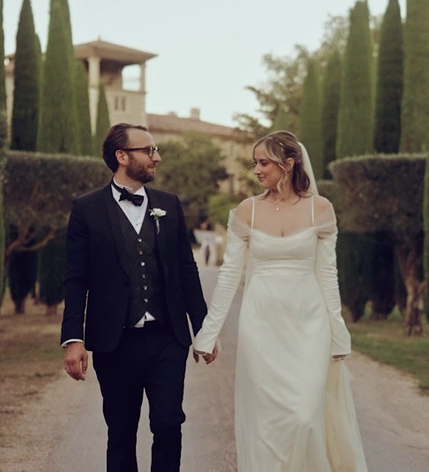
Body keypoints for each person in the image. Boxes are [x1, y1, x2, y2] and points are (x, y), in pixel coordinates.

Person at [193, 130, 368, 471]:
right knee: (266, 423)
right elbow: (230, 275)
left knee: (305, 416)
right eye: (254, 163)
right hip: (261, 323)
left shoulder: (321, 210)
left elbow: (328, 275)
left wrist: (338, 330)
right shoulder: (248, 211)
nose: (256, 170)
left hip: (308, 323)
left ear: (288, 164)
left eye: (264, 162)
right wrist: (208, 332)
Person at [60, 123, 209, 472]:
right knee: (122, 432)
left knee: (169, 423)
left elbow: (187, 270)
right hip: (115, 342)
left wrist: (205, 328)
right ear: (122, 156)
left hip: (166, 339)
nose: (157, 157)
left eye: (155, 150)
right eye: (149, 150)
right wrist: (73, 338)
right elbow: (75, 277)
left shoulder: (169, 205)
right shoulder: (86, 209)